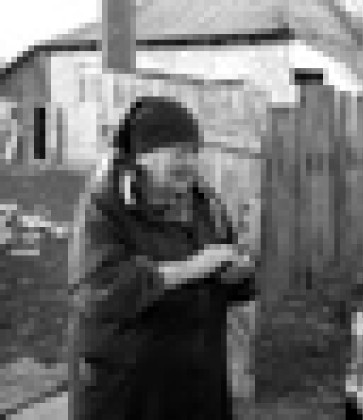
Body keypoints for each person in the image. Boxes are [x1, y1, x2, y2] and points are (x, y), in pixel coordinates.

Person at [70, 96, 256, 419]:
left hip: (197, 384)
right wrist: (194, 267)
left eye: (194, 152)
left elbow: (225, 263)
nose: (190, 163)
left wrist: (239, 276)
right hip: (128, 387)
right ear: (143, 155)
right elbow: (100, 288)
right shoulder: (105, 205)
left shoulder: (206, 202)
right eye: (179, 152)